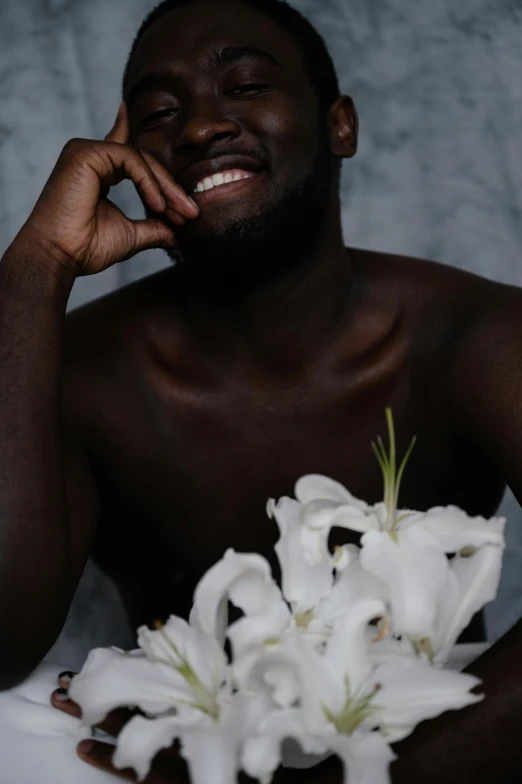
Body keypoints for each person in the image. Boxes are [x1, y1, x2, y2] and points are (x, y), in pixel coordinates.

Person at [1, 0, 522, 781]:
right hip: (194, 741)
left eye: (244, 86)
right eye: (159, 112)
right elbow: (2, 642)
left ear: (339, 126)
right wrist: (34, 269)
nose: (201, 127)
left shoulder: (479, 335)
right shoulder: (80, 369)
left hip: (440, 743)